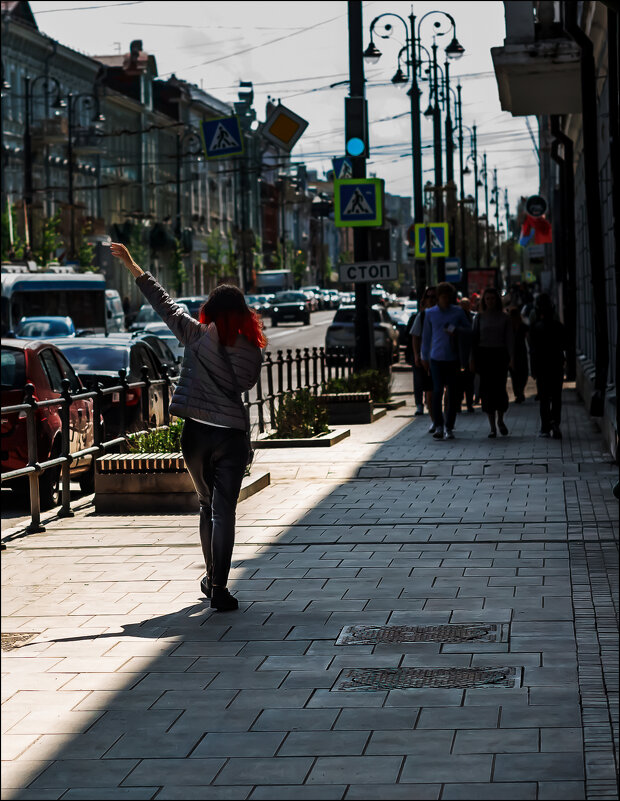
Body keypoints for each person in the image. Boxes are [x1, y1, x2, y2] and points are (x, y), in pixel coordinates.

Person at [110, 242, 264, 611]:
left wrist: (133, 265)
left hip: (196, 434)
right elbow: (244, 386)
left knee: (206, 505)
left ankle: (211, 580)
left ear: (209, 311)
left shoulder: (194, 334)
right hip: (232, 434)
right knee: (225, 509)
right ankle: (221, 589)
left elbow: (163, 303)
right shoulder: (252, 348)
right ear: (244, 313)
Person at [421, 282, 471, 440]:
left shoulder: (457, 312)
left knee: (453, 393)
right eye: (443, 296)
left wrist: (457, 331)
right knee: (436, 392)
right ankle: (439, 425)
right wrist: (424, 357)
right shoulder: (430, 313)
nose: (445, 299)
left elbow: (469, 330)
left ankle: (449, 426)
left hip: (453, 358)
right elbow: (426, 337)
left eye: (448, 296)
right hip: (436, 358)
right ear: (438, 297)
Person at [471, 287, 514, 438]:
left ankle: (501, 420)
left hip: (500, 355)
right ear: (484, 301)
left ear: (497, 300)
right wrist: (472, 360)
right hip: (484, 356)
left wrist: (511, 357)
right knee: (487, 391)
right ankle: (492, 427)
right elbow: (474, 340)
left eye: (493, 299)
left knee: (499, 389)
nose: (490, 301)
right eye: (487, 299)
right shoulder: (479, 318)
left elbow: (509, 339)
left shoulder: (504, 318)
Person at [528, 293, 566, 438]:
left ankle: (545, 427)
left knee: (544, 397)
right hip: (556, 364)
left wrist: (533, 369)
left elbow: (532, 350)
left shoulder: (535, 327)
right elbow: (564, 345)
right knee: (556, 396)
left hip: (542, 366)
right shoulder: (558, 326)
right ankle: (555, 423)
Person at [410, 286, 437, 423]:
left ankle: (448, 422)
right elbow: (415, 337)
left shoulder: (448, 314)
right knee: (431, 391)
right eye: (428, 297)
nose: (431, 299)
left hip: (446, 357)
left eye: (434, 296)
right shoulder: (422, 316)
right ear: (424, 300)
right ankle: (435, 421)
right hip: (428, 359)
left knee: (448, 391)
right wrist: (417, 355)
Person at [457, 296, 475, 413]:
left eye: (466, 305)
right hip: (458, 356)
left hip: (470, 354)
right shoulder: (457, 318)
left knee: (469, 382)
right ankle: (459, 404)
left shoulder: (473, 317)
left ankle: (469, 403)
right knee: (459, 383)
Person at [508, 306, 529, 403]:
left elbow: (528, 335)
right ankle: (519, 393)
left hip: (520, 351)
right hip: (514, 352)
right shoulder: (509, 327)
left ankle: (519, 392)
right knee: (516, 374)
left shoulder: (522, 326)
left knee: (520, 373)